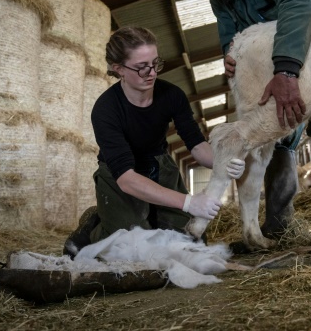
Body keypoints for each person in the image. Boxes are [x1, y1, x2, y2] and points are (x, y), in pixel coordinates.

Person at [185, 0, 311, 246]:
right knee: (276, 130)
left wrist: (286, 70)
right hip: (278, 56)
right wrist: (229, 56)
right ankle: (278, 223)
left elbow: (298, 2)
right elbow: (230, 35)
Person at [63, 26, 245, 257]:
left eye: (155, 63)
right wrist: (188, 203)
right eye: (141, 67)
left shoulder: (172, 95)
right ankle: (94, 228)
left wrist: (223, 162)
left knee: (191, 244)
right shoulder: (106, 109)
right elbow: (127, 180)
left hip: (159, 165)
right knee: (128, 247)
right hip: (120, 174)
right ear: (118, 69)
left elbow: (197, 145)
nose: (151, 73)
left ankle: (151, 217)